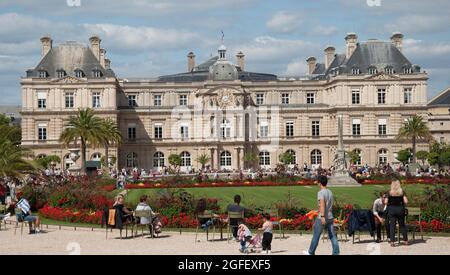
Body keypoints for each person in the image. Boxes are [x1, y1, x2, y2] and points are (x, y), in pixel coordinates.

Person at [303, 175, 340, 255]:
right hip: (330, 216)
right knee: (332, 236)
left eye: (317, 182)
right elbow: (327, 205)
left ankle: (311, 252)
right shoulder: (330, 192)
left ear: (320, 183)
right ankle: (336, 253)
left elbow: (322, 204)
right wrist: (319, 210)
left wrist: (322, 216)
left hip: (322, 217)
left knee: (316, 236)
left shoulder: (320, 193)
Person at [386, 180, 408, 246]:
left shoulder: (389, 192)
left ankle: (392, 242)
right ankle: (405, 241)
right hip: (400, 209)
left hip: (392, 209)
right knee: (402, 225)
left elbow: (386, 202)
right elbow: (406, 201)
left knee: (392, 225)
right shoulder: (402, 192)